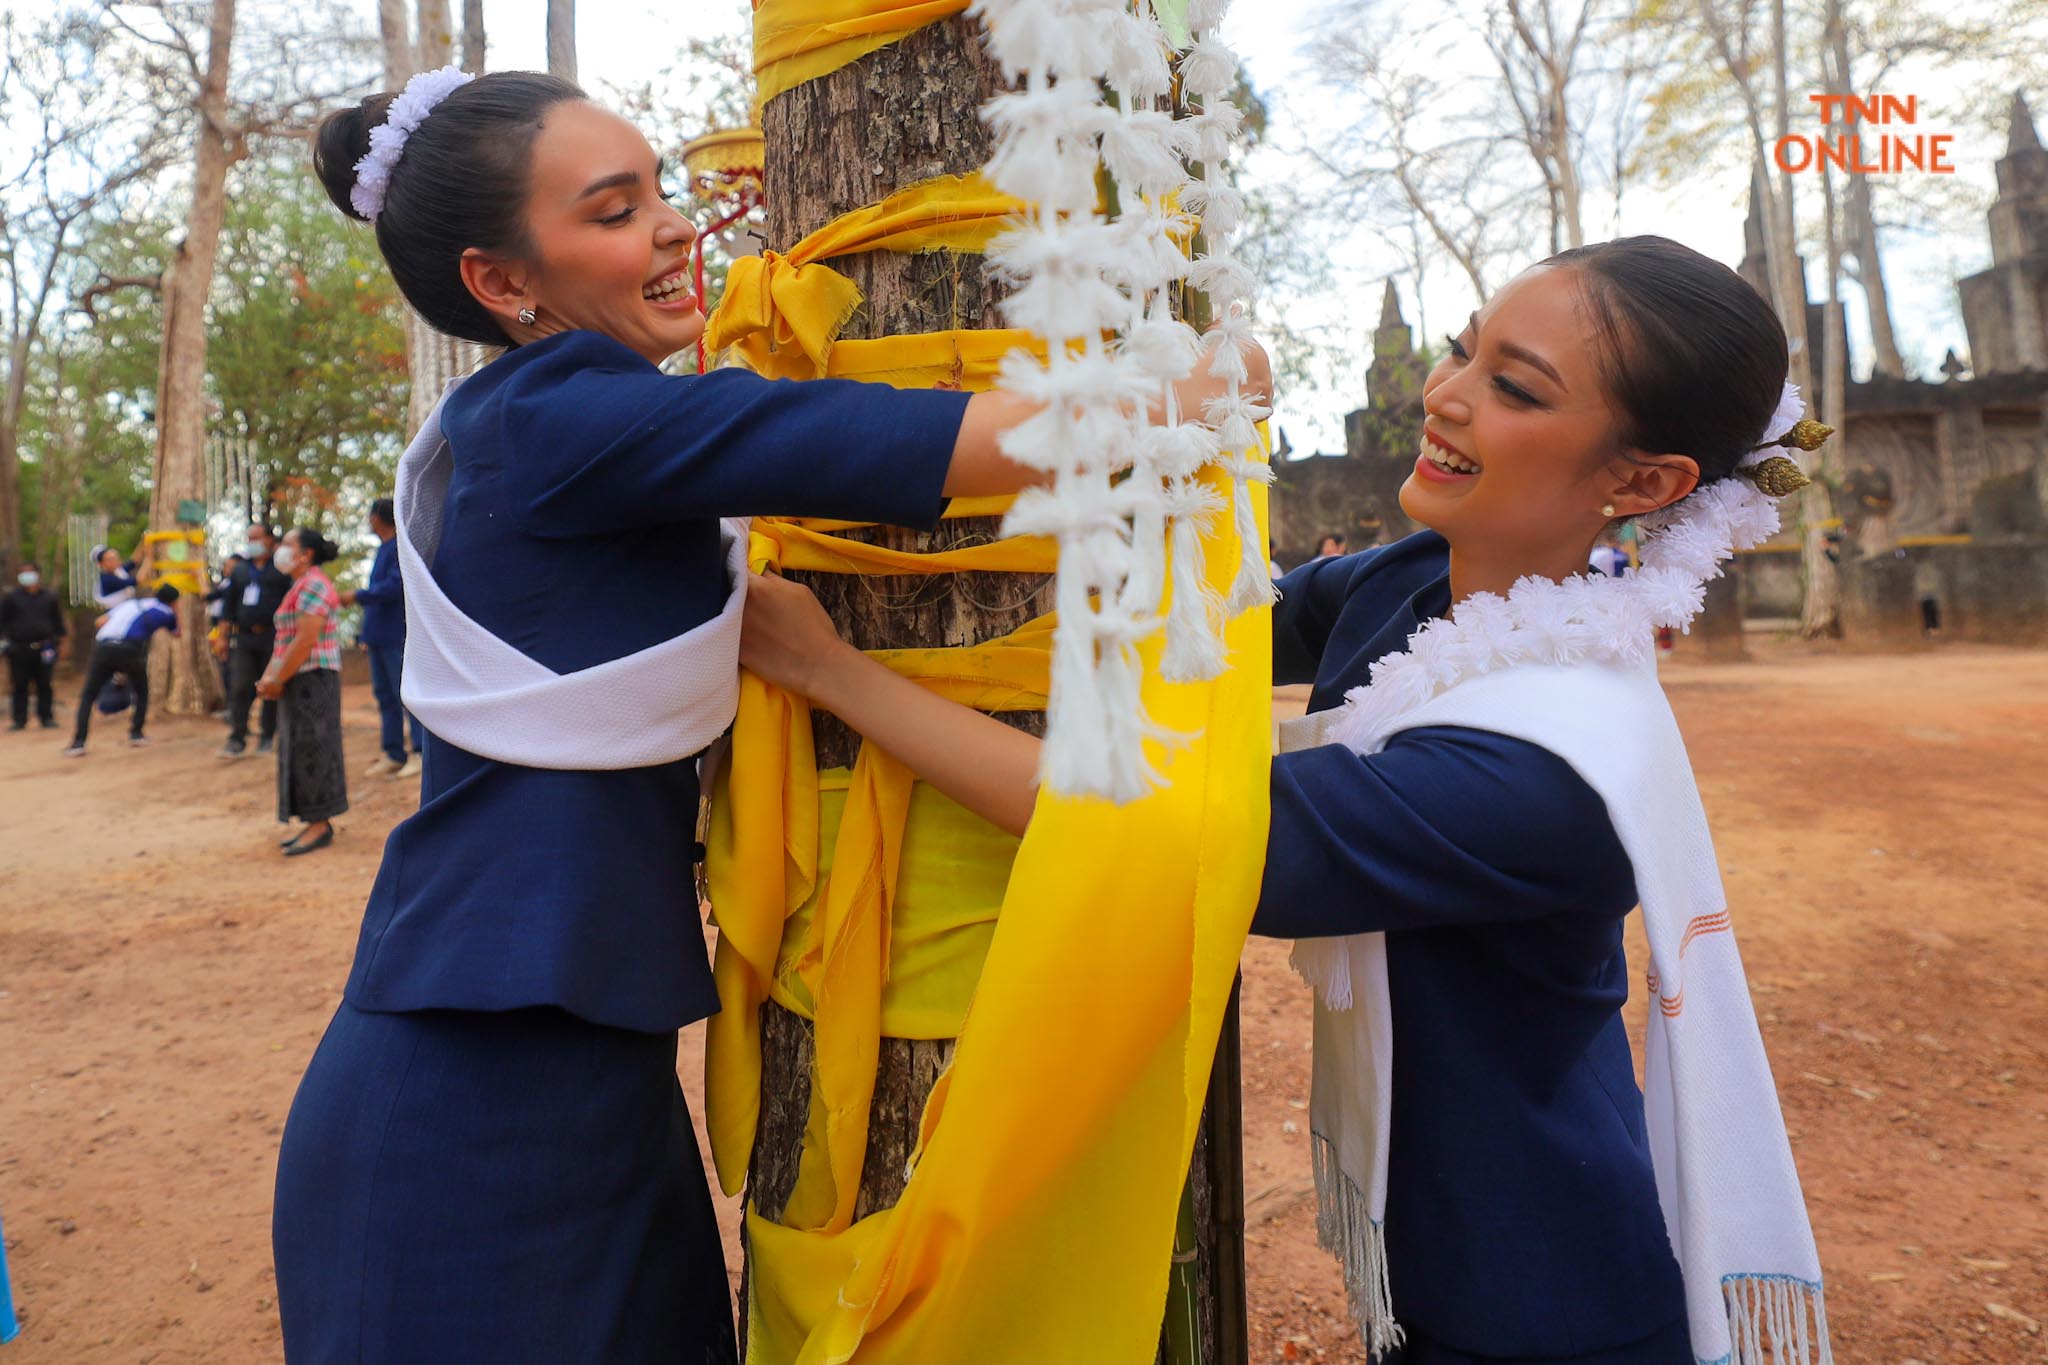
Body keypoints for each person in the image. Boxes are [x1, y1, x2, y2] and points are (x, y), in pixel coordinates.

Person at [270, 66, 1269, 1365]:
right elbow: (892, 442)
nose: (676, 230)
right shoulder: (561, 418)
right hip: (483, 1085)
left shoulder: (516, 429)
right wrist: (1191, 397)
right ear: (503, 283)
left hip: (565, 1046)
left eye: (664, 197)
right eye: (616, 211)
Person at [739, 237, 1831, 1365]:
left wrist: (832, 673)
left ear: (1641, 484)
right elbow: (1216, 610)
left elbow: (1155, 832)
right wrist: (1175, 413)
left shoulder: (1540, 771)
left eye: (1510, 387)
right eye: (1460, 350)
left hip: (1533, 1280)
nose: (1443, 396)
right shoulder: (1416, 578)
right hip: (1449, 1240)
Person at [257, 528, 349, 856]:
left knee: (315, 747)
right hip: (299, 677)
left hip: (314, 678)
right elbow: (285, 640)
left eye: (286, 544)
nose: (279, 549)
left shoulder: (313, 584)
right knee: (300, 747)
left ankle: (320, 825)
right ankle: (312, 822)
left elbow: (305, 639)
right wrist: (270, 677)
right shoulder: (299, 585)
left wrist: (277, 677)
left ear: (306, 554)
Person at [339, 498, 423, 778]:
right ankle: (393, 753)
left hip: (394, 635)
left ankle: (421, 753)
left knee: (406, 696)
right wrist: (366, 634)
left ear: (377, 517)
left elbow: (394, 587)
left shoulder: (399, 547)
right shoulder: (383, 550)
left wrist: (357, 595)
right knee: (385, 697)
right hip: (377, 636)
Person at [64, 584, 180, 756]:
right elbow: (177, 633)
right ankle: (136, 733)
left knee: (88, 695)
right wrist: (177, 611)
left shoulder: (130, 604)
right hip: (131, 650)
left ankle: (78, 743)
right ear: (174, 601)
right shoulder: (166, 612)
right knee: (141, 691)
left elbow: (99, 622)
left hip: (104, 647)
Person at [221, 524, 289, 758]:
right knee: (240, 686)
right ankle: (237, 738)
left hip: (273, 636)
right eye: (249, 538)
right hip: (244, 637)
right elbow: (228, 608)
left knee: (269, 686)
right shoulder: (240, 570)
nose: (252, 542)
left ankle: (267, 736)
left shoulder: (281, 569)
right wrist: (222, 638)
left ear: (269, 540)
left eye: (257, 538)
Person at [1, 562, 66, 730]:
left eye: (30, 572)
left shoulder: (49, 597)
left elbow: (58, 622)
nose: (27, 576)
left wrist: (62, 643)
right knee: (19, 684)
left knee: (45, 683)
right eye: (23, 573)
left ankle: (46, 717)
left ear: (38, 574)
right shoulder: (11, 598)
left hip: (45, 647)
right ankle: (19, 719)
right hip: (18, 647)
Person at [206, 553, 247, 709]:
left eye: (232, 566)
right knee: (223, 667)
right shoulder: (225, 583)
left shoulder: (234, 585)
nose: (227, 569)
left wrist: (198, 578)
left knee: (231, 669)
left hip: (231, 631)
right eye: (226, 566)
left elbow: (208, 596)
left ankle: (233, 707)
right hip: (219, 630)